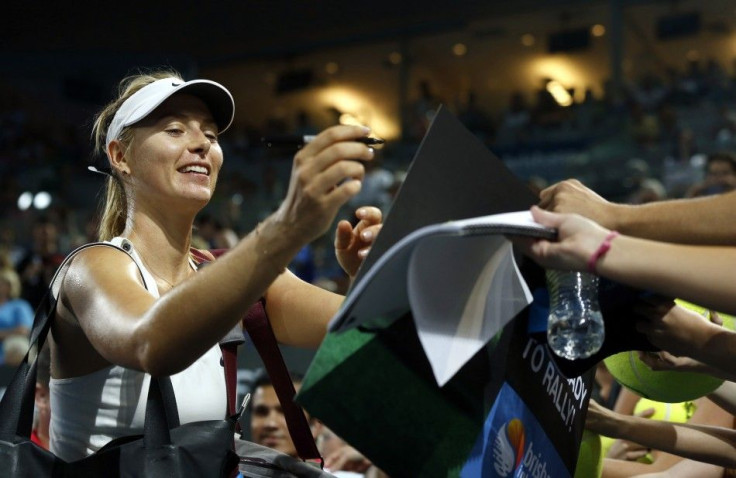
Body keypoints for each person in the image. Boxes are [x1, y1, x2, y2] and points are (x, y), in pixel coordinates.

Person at [47, 69, 382, 461]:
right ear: (121, 156)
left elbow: (364, 330)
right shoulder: (91, 267)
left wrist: (368, 276)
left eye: (211, 134)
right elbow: (151, 343)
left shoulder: (233, 276)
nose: (201, 144)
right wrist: (283, 228)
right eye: (175, 130)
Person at [0, 268, 34, 364]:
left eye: (1, 283)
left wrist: (3, 334)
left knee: (17, 347)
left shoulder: (20, 305)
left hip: (10, 346)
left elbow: (23, 330)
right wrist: (12, 331)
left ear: (9, 287)